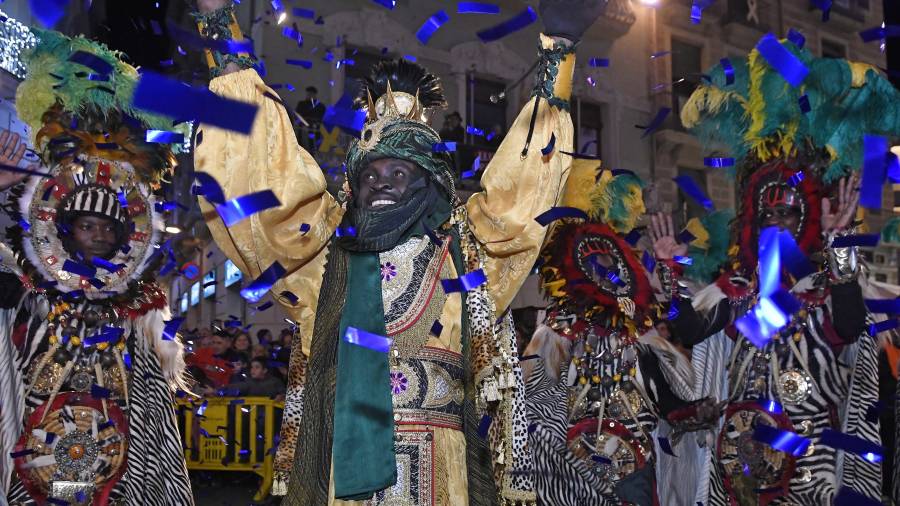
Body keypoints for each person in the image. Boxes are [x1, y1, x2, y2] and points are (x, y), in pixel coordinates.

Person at [190, 1, 608, 503]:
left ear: (429, 186)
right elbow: (259, 172)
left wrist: (558, 51)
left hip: (441, 473)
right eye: (371, 174)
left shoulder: (468, 253)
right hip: (342, 476)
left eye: (399, 173)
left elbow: (523, 194)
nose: (381, 184)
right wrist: (222, 31)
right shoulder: (322, 257)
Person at [666, 39, 900, 504]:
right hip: (737, 473)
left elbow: (850, 325)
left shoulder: (821, 289)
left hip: (809, 471)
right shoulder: (739, 290)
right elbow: (689, 328)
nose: (776, 223)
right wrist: (671, 272)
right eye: (766, 215)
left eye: (787, 214)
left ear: (806, 220)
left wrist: (839, 247)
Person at [0, 30, 193, 504]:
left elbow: (154, 391)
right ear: (67, 228)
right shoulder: (26, 283)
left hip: (118, 451)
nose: (102, 235)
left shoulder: (138, 300)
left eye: (111, 228)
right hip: (33, 448)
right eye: (89, 225)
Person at [523, 161, 717, 505]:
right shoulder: (556, 331)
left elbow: (665, 402)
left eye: (614, 264)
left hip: (633, 472)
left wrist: (692, 412)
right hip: (569, 478)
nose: (609, 272)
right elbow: (533, 413)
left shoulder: (638, 335)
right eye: (597, 263)